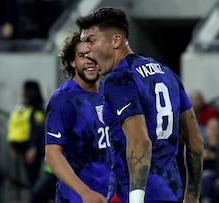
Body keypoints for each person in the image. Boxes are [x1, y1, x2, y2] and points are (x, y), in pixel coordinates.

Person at [76, 7, 204, 203]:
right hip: (171, 192)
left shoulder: (119, 79)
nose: (85, 49)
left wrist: (136, 199)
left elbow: (140, 142)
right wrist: (193, 197)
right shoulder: (167, 74)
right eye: (83, 41)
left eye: (91, 40)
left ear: (116, 40)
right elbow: (195, 144)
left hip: (134, 194)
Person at [44, 31, 110, 203]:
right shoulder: (63, 99)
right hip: (78, 198)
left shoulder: (111, 92)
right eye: (83, 56)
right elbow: (52, 154)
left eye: (94, 54)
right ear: (72, 61)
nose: (90, 60)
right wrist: (84, 193)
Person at [6, 80, 45, 187]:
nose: (21, 91)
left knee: (33, 177)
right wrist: (14, 146)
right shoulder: (22, 106)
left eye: (23, 88)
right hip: (20, 147)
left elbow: (37, 130)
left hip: (31, 148)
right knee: (23, 179)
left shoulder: (37, 110)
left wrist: (32, 148)